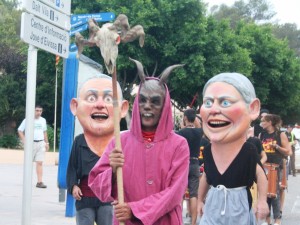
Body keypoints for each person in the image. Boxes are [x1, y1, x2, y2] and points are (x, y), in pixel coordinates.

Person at [88, 59, 190, 225]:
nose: (147, 106)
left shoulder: (179, 145)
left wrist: (135, 210)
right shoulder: (120, 142)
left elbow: (175, 192)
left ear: (164, 106)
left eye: (155, 101)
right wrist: (112, 170)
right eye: (142, 100)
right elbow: (97, 185)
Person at [197, 72, 269, 225]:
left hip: (239, 207)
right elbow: (206, 176)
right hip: (213, 205)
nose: (213, 110)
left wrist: (262, 201)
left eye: (225, 103)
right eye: (208, 102)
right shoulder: (209, 150)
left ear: (253, 108)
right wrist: (200, 200)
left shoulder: (248, 150)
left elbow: (260, 175)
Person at [66, 75, 129, 225]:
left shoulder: (121, 143)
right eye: (92, 98)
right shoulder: (79, 141)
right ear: (75, 106)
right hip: (85, 196)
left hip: (108, 198)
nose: (100, 105)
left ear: (123, 108)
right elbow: (72, 167)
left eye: (109, 99)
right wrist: (73, 185)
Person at [259, 114, 292, 225]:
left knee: (275, 193)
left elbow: (289, 151)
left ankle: (277, 220)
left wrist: (277, 147)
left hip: (277, 166)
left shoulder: (280, 134)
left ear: (270, 122)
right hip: (265, 167)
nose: (261, 123)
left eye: (263, 121)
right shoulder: (261, 134)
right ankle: (267, 220)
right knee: (265, 193)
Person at [177, 108, 203, 225]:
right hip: (195, 163)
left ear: (185, 118)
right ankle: (193, 222)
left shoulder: (180, 133)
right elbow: (199, 124)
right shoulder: (199, 132)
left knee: (181, 193)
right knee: (193, 194)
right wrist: (194, 118)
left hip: (183, 163)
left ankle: (179, 221)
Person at [18, 105, 49, 188]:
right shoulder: (27, 120)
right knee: (28, 163)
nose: (39, 112)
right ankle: (27, 181)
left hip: (41, 143)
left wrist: (47, 143)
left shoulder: (43, 120)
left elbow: (44, 132)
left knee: (40, 162)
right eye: (37, 110)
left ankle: (39, 182)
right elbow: (20, 130)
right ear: (33, 111)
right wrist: (25, 141)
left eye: (40, 111)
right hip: (31, 144)